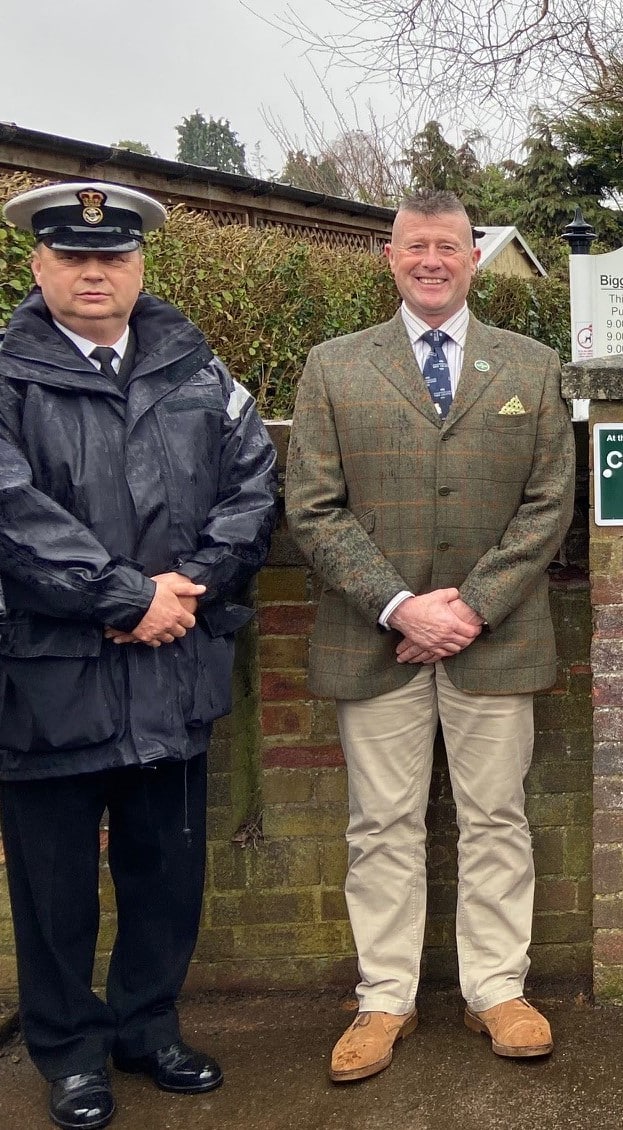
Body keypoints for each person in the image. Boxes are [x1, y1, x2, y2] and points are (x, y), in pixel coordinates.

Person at [0, 181, 278, 1130]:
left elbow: (254, 484)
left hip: (171, 673)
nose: (93, 272)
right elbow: (13, 517)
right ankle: (71, 1052)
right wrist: (129, 596)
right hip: (49, 683)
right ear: (38, 266)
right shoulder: (5, 374)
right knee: (54, 889)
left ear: (139, 266)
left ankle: (146, 1026)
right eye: (74, 257)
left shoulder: (199, 371)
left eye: (112, 257)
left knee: (167, 871)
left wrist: (188, 586)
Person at [285, 190, 575, 1082]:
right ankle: (385, 1000)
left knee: (496, 818)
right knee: (381, 824)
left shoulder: (531, 368)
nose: (432, 261)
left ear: (473, 258)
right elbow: (314, 507)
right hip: (378, 639)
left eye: (448, 246)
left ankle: (497, 990)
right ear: (391, 257)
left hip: (496, 638)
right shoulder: (333, 367)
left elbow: (547, 504)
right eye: (415, 247)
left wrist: (470, 608)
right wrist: (403, 607)